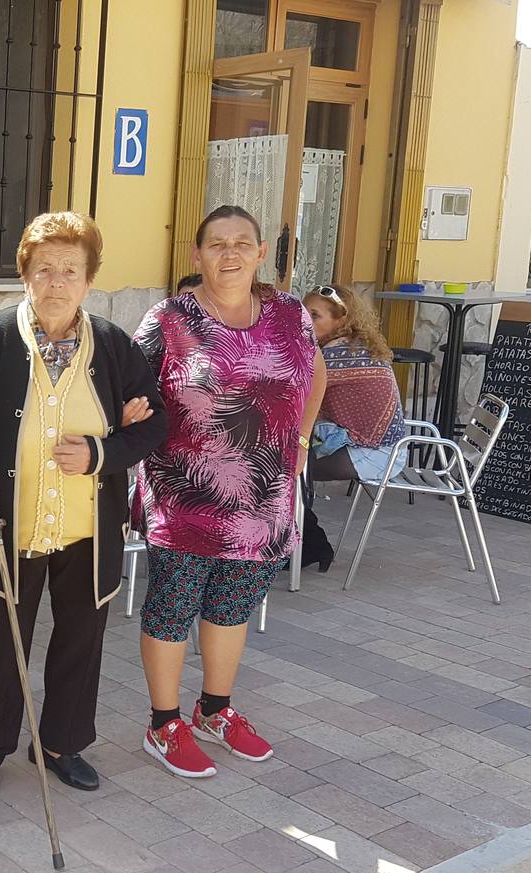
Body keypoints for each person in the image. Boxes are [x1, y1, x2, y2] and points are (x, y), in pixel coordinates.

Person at [0, 211, 167, 802]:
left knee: (81, 640)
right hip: (8, 527)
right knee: (1, 644)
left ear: (89, 280)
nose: (57, 282)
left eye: (70, 270)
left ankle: (61, 745)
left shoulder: (113, 346)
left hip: (89, 530)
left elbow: (155, 424)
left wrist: (103, 451)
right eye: (44, 269)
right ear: (25, 275)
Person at [133, 205, 325, 779]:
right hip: (185, 496)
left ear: (261, 253)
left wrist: (302, 441)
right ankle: (163, 723)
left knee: (232, 605)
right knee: (173, 607)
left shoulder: (290, 314)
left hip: (263, 499)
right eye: (217, 243)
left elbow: (315, 372)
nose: (230, 253)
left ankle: (214, 710)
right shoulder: (169, 319)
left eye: (242, 242)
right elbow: (127, 387)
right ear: (198, 254)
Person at [299, 283, 406, 571]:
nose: (305, 321)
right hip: (375, 445)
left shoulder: (339, 355)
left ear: (341, 320)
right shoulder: (351, 345)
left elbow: (294, 389)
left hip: (375, 453)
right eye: (303, 313)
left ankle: (310, 546)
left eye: (314, 315)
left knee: (286, 469)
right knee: (290, 461)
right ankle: (308, 544)